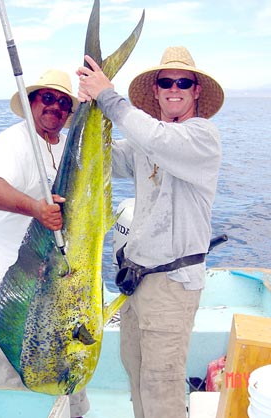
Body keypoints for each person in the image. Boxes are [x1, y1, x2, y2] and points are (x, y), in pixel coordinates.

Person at [76, 46, 224, 418]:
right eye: (166, 82)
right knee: (137, 373)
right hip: (135, 284)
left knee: (161, 383)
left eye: (184, 82)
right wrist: (85, 109)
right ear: (155, 91)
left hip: (172, 286)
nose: (175, 88)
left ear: (196, 92)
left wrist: (107, 96)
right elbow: (104, 159)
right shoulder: (148, 143)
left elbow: (158, 139)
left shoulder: (201, 137)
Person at [0, 69, 89, 418]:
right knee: (15, 381)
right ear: (31, 102)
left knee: (69, 372)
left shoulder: (65, 147)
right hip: (14, 285)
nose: (55, 107)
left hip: (57, 284)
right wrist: (36, 208)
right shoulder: (15, 140)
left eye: (64, 103)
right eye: (47, 98)